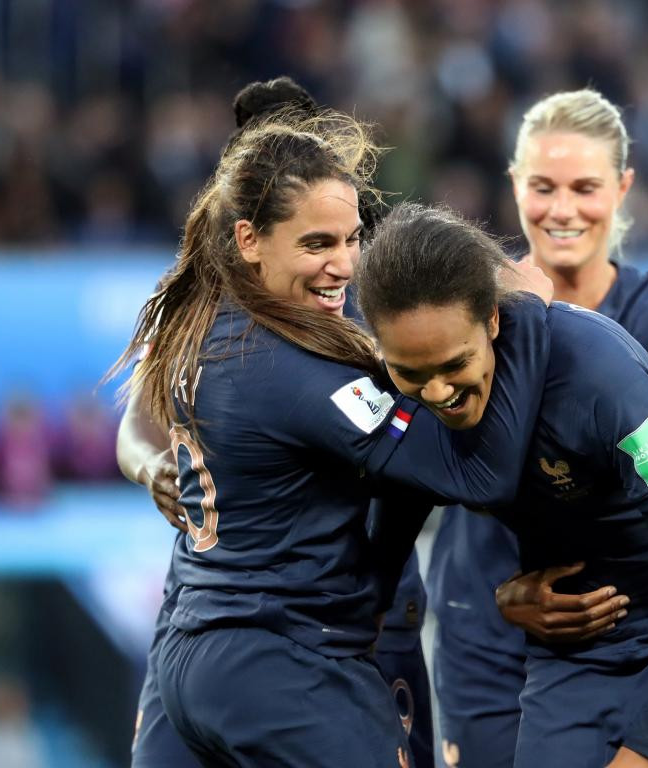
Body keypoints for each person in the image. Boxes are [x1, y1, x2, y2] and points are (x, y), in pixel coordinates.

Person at [112, 106, 554, 767]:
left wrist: (151, 467)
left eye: (352, 240)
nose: (344, 265)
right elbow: (475, 475)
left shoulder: (201, 320)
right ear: (248, 237)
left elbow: (140, 419)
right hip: (286, 660)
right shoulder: (301, 373)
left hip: (196, 645)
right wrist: (526, 318)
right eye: (318, 244)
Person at [356, 202, 648, 768]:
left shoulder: (596, 380)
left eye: (454, 365)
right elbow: (394, 523)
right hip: (584, 632)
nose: (437, 392)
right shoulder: (400, 393)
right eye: (411, 374)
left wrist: (646, 753)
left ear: (492, 320)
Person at [425, 88, 648, 768]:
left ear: (624, 187)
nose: (563, 210)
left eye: (585, 187)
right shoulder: (467, 307)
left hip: (618, 639)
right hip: (480, 625)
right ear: (515, 183)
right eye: (543, 187)